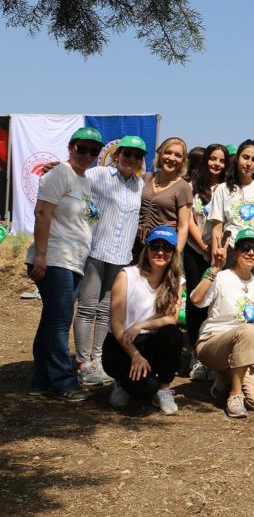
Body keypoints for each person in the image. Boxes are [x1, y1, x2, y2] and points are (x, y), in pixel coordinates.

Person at [26, 126, 104, 401]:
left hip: (73, 262)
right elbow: (42, 212)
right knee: (60, 322)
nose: (86, 154)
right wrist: (41, 256)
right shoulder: (59, 174)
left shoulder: (83, 180)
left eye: (93, 151)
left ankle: (40, 379)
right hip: (55, 258)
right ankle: (63, 382)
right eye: (81, 148)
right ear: (71, 147)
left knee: (51, 321)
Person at [74, 135, 146, 388]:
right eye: (127, 154)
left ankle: (99, 360)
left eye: (138, 156)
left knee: (106, 311)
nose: (132, 159)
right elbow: (73, 178)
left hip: (121, 256)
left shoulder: (140, 186)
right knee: (86, 308)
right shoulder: (98, 175)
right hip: (95, 251)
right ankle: (83, 363)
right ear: (117, 154)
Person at [190, 226, 254, 418]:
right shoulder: (221, 277)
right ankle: (235, 396)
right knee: (247, 331)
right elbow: (196, 300)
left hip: (245, 348)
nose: (251, 253)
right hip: (213, 343)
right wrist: (215, 268)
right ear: (235, 252)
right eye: (245, 248)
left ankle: (226, 378)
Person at [104, 225, 184, 415]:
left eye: (167, 248)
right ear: (147, 249)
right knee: (145, 388)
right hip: (123, 343)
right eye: (155, 246)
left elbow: (172, 319)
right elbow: (116, 324)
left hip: (151, 341)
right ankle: (122, 383)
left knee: (173, 334)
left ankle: (164, 388)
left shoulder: (176, 280)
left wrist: (142, 325)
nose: (160, 252)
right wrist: (135, 355)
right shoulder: (127, 275)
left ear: (173, 253)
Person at [209, 139, 254, 300]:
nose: (249, 163)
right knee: (230, 298)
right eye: (245, 157)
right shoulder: (222, 189)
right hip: (232, 249)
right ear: (237, 159)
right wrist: (215, 260)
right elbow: (217, 226)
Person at [184, 143, 227, 379]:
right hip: (195, 250)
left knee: (216, 302)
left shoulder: (228, 188)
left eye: (221, 160)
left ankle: (213, 354)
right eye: (213, 159)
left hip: (220, 255)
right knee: (195, 301)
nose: (216, 164)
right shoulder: (192, 185)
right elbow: (188, 218)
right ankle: (194, 353)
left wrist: (216, 250)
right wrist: (202, 245)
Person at [137, 137, 192, 258]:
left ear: (183, 161)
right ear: (160, 155)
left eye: (178, 155)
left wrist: (175, 255)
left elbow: (183, 227)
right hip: (136, 246)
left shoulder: (184, 187)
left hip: (162, 248)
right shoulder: (145, 178)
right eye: (168, 152)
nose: (172, 158)